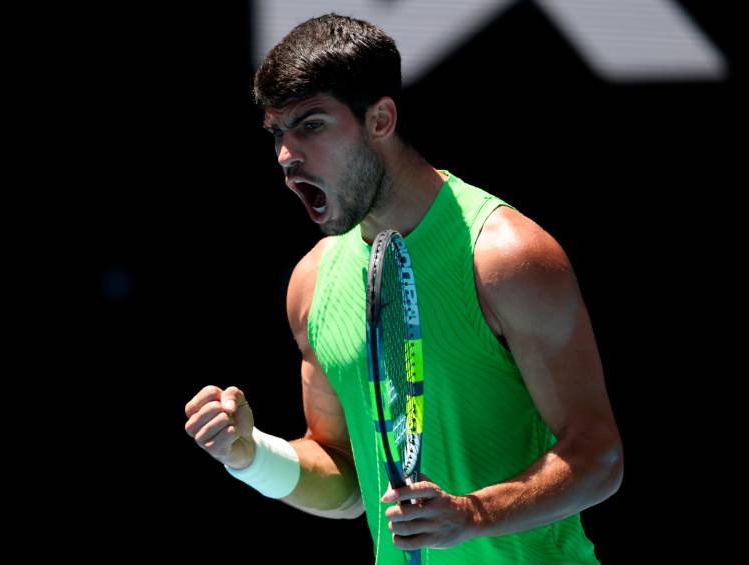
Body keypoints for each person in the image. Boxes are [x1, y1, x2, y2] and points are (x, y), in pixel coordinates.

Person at [185, 13, 623, 564]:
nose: (286, 156)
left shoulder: (507, 258)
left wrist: (473, 515)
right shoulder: (311, 283)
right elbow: (348, 479)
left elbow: (599, 457)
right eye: (277, 133)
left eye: (312, 125)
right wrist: (251, 457)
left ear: (381, 120)